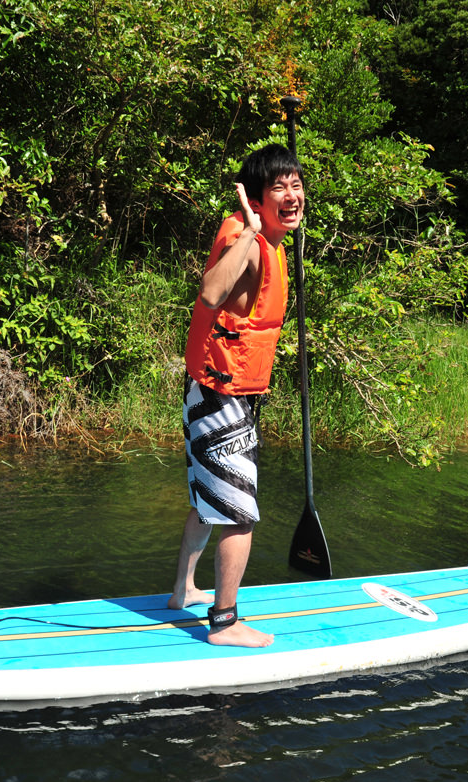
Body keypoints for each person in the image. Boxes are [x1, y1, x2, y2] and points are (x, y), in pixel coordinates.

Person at [169, 143, 305, 648]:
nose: (291, 195)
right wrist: (249, 230)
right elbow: (209, 293)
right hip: (220, 397)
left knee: (208, 500)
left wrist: (260, 229)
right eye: (279, 187)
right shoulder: (246, 238)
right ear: (255, 196)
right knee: (238, 513)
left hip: (216, 392)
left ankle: (183, 589)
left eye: (297, 185)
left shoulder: (271, 240)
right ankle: (223, 622)